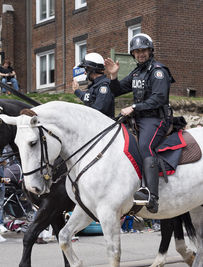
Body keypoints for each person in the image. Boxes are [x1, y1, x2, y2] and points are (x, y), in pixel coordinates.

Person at [104, 33, 175, 213]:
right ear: (133, 54)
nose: (140, 54)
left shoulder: (158, 71)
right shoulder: (136, 73)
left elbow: (159, 98)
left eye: (143, 50)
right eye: (136, 51)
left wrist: (134, 107)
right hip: (138, 119)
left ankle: (152, 196)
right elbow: (118, 90)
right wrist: (113, 77)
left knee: (145, 146)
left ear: (150, 50)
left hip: (156, 119)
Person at [72, 53, 115, 118]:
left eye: (85, 69)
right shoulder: (95, 85)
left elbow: (99, 110)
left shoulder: (104, 86)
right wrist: (77, 90)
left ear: (90, 68)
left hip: (103, 126)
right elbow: (88, 98)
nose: (85, 72)